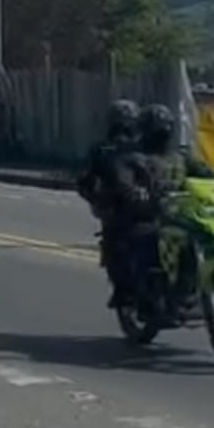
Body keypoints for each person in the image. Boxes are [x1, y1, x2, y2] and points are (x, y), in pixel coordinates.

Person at [115, 104, 214, 298]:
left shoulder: (180, 156)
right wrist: (136, 192)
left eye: (165, 127)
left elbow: (207, 174)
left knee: (210, 233)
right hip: (151, 215)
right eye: (156, 128)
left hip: (184, 213)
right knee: (145, 240)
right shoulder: (134, 157)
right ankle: (151, 290)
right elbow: (125, 181)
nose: (162, 132)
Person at [75, 99, 140, 308]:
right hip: (117, 207)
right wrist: (99, 202)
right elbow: (85, 180)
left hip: (145, 203)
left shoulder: (143, 147)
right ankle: (123, 291)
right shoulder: (102, 150)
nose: (125, 127)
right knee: (115, 245)